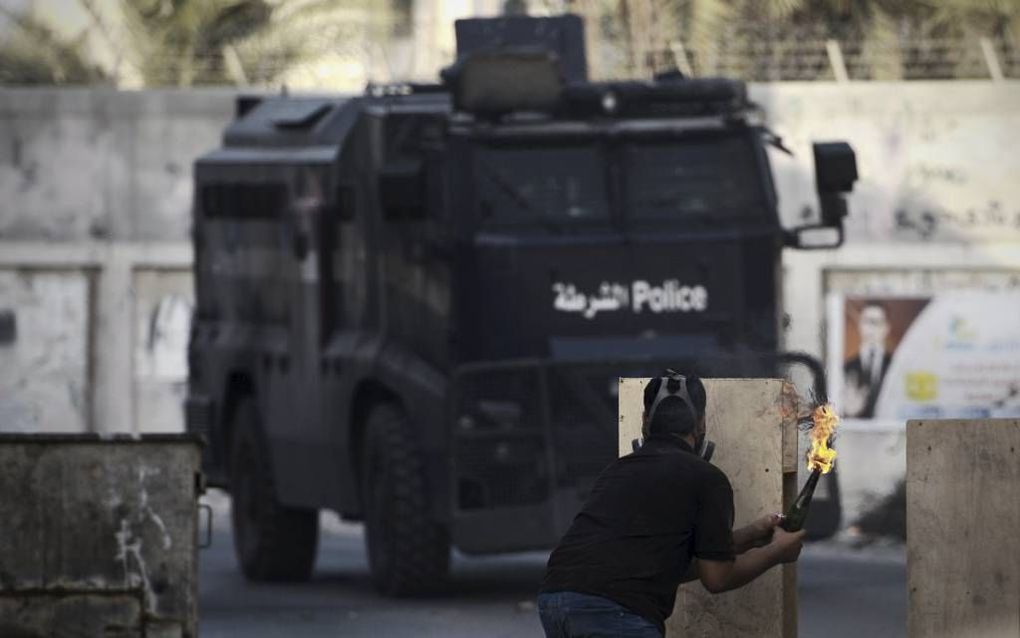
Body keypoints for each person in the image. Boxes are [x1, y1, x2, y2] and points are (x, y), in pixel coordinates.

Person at [538, 373, 805, 638]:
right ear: (700, 424)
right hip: (615, 612)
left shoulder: (617, 470)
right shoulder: (706, 478)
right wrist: (778, 553)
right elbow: (717, 578)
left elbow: (666, 565)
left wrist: (751, 536)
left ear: (645, 422)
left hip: (557, 600)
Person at [843, 301, 893, 418]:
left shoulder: (896, 365)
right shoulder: (846, 367)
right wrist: (847, 412)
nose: (871, 328)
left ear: (886, 328)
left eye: (876, 322)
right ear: (860, 325)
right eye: (866, 322)